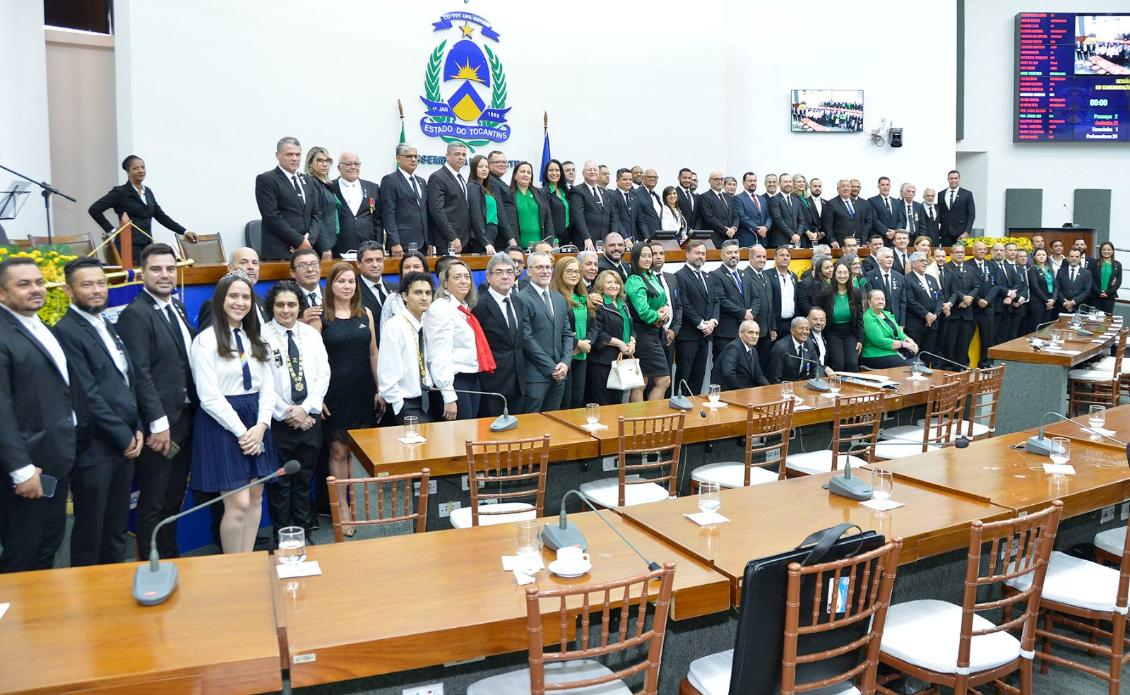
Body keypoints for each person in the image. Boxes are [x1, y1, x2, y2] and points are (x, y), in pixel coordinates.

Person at [55, 258, 145, 566]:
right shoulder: (66, 331)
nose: (97, 291)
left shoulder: (104, 321)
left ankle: (115, 596)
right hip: (96, 450)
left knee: (117, 528)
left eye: (101, 283)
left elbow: (126, 380)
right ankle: (90, 604)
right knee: (91, 534)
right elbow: (88, 395)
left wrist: (138, 428)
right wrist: (124, 437)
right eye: (87, 284)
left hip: (124, 444)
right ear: (69, 290)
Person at [115, 243, 196, 560]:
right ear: (142, 273)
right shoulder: (136, 314)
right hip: (160, 427)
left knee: (174, 497)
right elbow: (140, 374)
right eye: (156, 269)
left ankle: (170, 559)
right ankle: (152, 567)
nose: (164, 275)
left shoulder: (174, 306)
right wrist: (158, 424)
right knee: (154, 501)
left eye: (169, 268)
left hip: (185, 418)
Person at [189, 270, 278, 554]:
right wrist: (243, 432)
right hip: (224, 423)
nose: (240, 302)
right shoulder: (205, 340)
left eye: (245, 297)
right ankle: (234, 565)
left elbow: (268, 386)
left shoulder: (256, 338)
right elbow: (209, 396)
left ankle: (249, 561)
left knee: (255, 496)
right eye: (233, 296)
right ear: (221, 300)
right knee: (237, 503)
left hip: (256, 420)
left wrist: (262, 424)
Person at [0, 257, 79, 572]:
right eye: (23, 284)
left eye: (38, 282)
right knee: (23, 552)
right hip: (28, 467)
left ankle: (38, 618)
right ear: (2, 293)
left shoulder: (38, 325)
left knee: (48, 544)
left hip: (55, 459)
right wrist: (21, 470)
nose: (35, 289)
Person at [261, 281, 329, 541]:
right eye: (280, 305)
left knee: (303, 481)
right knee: (280, 485)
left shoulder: (310, 334)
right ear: (272, 307)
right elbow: (263, 381)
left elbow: (323, 373)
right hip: (280, 422)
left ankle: (301, 535)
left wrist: (307, 409)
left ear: (300, 306)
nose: (286, 310)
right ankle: (282, 537)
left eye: (291, 304)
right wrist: (288, 412)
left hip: (310, 420)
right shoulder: (262, 335)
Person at [320, 262, 380, 487]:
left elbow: (373, 354)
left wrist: (379, 389)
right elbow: (314, 361)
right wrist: (319, 397)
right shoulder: (320, 316)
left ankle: (359, 510)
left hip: (363, 392)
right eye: (341, 281)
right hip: (335, 394)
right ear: (330, 285)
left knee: (360, 452)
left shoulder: (366, 314)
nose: (347, 286)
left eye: (351, 281)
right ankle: (342, 511)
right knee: (338, 451)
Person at [88, 155, 197, 262]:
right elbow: (94, 209)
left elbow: (161, 217)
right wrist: (112, 230)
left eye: (142, 167)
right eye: (135, 168)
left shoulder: (148, 192)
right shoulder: (120, 192)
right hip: (128, 247)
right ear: (128, 172)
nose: (140, 170)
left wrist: (184, 231)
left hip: (148, 246)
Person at [424, 260, 494, 420]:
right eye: (457, 277)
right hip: (455, 381)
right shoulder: (441, 308)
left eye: (467, 277)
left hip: (472, 378)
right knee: (459, 436)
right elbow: (439, 354)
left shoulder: (463, 308)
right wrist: (448, 396)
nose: (464, 281)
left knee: (470, 433)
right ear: (445, 283)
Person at [255, 137, 329, 260]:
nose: (295, 158)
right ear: (278, 155)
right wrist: (299, 241)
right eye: (289, 154)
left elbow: (316, 214)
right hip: (281, 252)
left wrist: (307, 242)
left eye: (298, 154)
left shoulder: (308, 180)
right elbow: (272, 216)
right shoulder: (267, 179)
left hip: (307, 250)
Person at [517, 252, 573, 412]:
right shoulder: (521, 299)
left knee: (553, 424)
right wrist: (551, 368)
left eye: (548, 267)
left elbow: (567, 334)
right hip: (535, 377)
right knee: (532, 426)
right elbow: (526, 338)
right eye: (540, 267)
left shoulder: (559, 298)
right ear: (528, 271)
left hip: (560, 374)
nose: (545, 271)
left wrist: (565, 363)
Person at [378, 272, 435, 423]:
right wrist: (399, 406)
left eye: (428, 293)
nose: (424, 297)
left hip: (429, 401)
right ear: (404, 296)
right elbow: (387, 374)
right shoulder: (394, 326)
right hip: (406, 404)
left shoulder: (427, 324)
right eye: (418, 293)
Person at [473, 252, 525, 415]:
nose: (505, 276)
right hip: (492, 382)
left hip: (518, 381)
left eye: (510, 272)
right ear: (488, 277)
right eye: (499, 272)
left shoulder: (518, 302)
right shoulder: (479, 305)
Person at [623, 242, 671, 401]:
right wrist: (658, 316)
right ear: (635, 257)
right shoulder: (634, 280)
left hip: (656, 333)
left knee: (644, 381)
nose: (648, 259)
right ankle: (645, 421)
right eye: (643, 256)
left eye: (649, 255)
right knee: (651, 381)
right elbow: (643, 311)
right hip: (643, 335)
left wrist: (666, 309)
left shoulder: (650, 276)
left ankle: (648, 421)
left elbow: (662, 300)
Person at [675, 240, 719, 394]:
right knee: (684, 377)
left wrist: (713, 322)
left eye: (703, 253)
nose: (701, 256)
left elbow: (715, 301)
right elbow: (684, 305)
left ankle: (694, 410)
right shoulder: (679, 276)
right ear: (687, 254)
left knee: (698, 377)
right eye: (697, 253)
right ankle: (681, 407)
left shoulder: (708, 276)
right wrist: (701, 324)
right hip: (688, 336)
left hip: (705, 336)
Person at [551, 257, 595, 409]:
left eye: (577, 271)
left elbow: (594, 326)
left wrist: (587, 343)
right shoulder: (555, 297)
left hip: (582, 354)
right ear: (560, 273)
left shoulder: (583, 297)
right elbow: (557, 329)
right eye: (569, 271)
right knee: (565, 401)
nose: (574, 275)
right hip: (564, 356)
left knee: (578, 399)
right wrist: (577, 343)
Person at [588, 269, 636, 405]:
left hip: (621, 360)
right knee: (603, 402)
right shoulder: (598, 304)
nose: (613, 285)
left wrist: (632, 342)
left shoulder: (623, 304)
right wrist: (620, 344)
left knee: (617, 401)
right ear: (600, 285)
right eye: (609, 282)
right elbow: (598, 332)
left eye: (616, 282)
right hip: (602, 361)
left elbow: (631, 328)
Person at [710, 240, 756, 382]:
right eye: (729, 253)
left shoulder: (745, 274)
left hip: (745, 331)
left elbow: (756, 297)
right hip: (726, 332)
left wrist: (751, 313)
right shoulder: (715, 275)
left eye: (736, 252)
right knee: (723, 370)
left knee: (743, 370)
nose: (733, 255)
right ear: (722, 255)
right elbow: (722, 300)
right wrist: (743, 313)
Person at [197, 247, 266, 329]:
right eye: (243, 262)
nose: (251, 267)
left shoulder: (261, 300)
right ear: (230, 268)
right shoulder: (214, 305)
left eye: (255, 263)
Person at [380, 144, 430, 256]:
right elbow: (388, 214)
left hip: (423, 244)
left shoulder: (421, 182)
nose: (413, 159)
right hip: (402, 244)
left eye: (416, 156)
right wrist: (395, 242)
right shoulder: (390, 180)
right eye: (409, 156)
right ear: (398, 158)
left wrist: (430, 241)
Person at [331, 151, 381, 256]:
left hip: (368, 248)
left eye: (356, 164)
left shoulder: (373, 187)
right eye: (348, 164)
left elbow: (377, 220)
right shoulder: (330, 188)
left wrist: (378, 244)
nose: (353, 167)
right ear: (339, 168)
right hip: (339, 248)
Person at [427, 142, 473, 254]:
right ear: (447, 156)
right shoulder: (438, 177)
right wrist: (452, 237)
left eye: (463, 154)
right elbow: (437, 210)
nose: (461, 157)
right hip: (448, 240)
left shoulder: (460, 177)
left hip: (464, 239)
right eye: (457, 154)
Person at [816, 260, 862, 372]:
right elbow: (818, 313)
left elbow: (860, 317)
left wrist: (860, 339)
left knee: (852, 362)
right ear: (834, 274)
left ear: (849, 274)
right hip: (832, 332)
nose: (842, 276)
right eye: (839, 272)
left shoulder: (856, 292)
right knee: (839, 363)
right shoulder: (825, 292)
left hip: (850, 332)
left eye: (845, 272)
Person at [860, 289, 918, 368]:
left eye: (883, 299)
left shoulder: (887, 314)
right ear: (869, 302)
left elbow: (899, 333)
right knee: (909, 367)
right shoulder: (868, 317)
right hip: (875, 355)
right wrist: (904, 344)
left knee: (919, 364)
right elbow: (879, 341)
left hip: (893, 352)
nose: (881, 301)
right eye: (877, 299)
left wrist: (910, 341)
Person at [903, 252, 944, 363]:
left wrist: (935, 314)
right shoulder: (907, 279)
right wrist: (926, 314)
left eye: (926, 260)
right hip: (916, 324)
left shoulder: (932, 278)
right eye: (922, 260)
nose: (925, 263)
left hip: (932, 323)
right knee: (913, 355)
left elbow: (940, 298)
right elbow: (910, 301)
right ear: (913, 264)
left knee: (928, 354)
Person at [942, 244, 979, 367]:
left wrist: (969, 298)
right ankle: (950, 368)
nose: (960, 254)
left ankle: (962, 366)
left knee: (964, 343)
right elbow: (951, 288)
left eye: (962, 252)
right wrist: (963, 297)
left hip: (967, 313)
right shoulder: (946, 268)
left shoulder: (970, 269)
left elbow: (976, 286)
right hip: (954, 312)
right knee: (950, 343)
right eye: (957, 252)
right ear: (951, 254)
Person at [767, 317, 832, 383]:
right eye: (801, 328)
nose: (805, 332)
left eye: (807, 329)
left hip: (805, 386)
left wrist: (819, 382)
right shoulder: (780, 348)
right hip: (786, 388)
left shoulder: (809, 343)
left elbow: (816, 366)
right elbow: (774, 378)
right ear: (792, 330)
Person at [304, 147, 341, 259]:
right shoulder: (311, 183)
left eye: (327, 161)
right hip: (321, 244)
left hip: (332, 240)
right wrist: (324, 246)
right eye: (320, 161)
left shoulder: (326, 184)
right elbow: (317, 217)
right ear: (310, 164)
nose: (324, 164)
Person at [649, 242, 681, 371]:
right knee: (653, 382)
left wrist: (674, 330)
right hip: (652, 337)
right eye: (654, 254)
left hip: (670, 337)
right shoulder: (642, 280)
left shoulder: (671, 278)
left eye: (661, 253)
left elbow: (678, 306)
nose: (658, 257)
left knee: (667, 380)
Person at [567, 161, 612, 251]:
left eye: (595, 170)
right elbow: (578, 216)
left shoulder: (605, 192)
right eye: (589, 170)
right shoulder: (577, 190)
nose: (592, 172)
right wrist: (586, 238)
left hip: (605, 240)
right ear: (583, 173)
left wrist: (612, 237)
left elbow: (613, 215)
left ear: (598, 173)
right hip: (587, 242)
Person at [969, 241, 1001, 366]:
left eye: (984, 249)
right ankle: (963, 363)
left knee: (988, 338)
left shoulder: (992, 265)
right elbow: (967, 286)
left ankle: (985, 363)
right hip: (972, 307)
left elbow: (997, 285)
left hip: (988, 307)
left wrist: (987, 300)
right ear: (973, 251)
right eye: (979, 249)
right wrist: (978, 300)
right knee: (966, 338)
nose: (982, 251)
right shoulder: (967, 264)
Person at [511, 161, 555, 249]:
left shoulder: (540, 193)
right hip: (517, 246)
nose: (526, 174)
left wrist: (549, 241)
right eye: (522, 172)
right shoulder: (509, 194)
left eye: (529, 172)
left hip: (540, 246)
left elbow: (548, 218)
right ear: (515, 176)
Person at [717, 320, 769, 390]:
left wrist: (770, 389)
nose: (755, 336)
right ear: (740, 333)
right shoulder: (733, 348)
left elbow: (758, 375)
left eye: (757, 333)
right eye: (750, 332)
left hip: (745, 392)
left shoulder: (753, 350)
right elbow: (728, 374)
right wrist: (743, 391)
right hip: (729, 393)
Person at [356, 241, 392, 340]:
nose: (375, 265)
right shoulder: (353, 291)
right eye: (369, 261)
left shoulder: (395, 288)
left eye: (379, 260)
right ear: (358, 264)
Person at [467, 154, 502, 253]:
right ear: (474, 168)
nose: (484, 169)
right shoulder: (473, 187)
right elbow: (476, 215)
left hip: (491, 233)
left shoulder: (486, 188)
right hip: (482, 237)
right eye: (480, 166)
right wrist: (485, 242)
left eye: (486, 167)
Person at [865, 247, 907, 326]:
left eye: (892, 257)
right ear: (879, 260)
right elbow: (868, 300)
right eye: (887, 257)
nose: (890, 259)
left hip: (896, 320)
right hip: (877, 320)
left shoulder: (899, 277)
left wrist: (902, 324)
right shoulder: (870, 276)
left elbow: (903, 302)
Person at [821, 179, 867, 249]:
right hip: (839, 243)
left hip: (856, 243)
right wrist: (832, 240)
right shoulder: (831, 204)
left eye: (848, 186)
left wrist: (864, 241)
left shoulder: (857, 203)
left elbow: (861, 224)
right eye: (843, 186)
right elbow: (827, 225)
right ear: (838, 189)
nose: (846, 188)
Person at [937, 169, 975, 247]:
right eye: (951, 178)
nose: (953, 180)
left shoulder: (967, 194)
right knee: (945, 256)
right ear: (948, 180)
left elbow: (971, 214)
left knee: (959, 256)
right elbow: (940, 213)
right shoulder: (941, 194)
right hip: (945, 234)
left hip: (960, 234)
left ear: (959, 179)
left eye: (955, 178)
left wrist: (967, 232)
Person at [701, 171, 739, 248]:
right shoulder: (705, 197)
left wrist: (734, 228)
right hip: (716, 239)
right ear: (709, 181)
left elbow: (735, 216)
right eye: (716, 179)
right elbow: (710, 217)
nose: (719, 181)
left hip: (731, 239)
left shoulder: (728, 197)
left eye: (721, 179)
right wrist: (725, 230)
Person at [487, 151, 518, 246]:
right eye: (498, 162)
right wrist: (510, 237)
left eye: (504, 162)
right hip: (503, 237)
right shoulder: (491, 181)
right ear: (489, 164)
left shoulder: (499, 181)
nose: (502, 164)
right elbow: (499, 210)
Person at [734, 172, 771, 247]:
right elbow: (742, 217)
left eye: (754, 181)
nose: (753, 183)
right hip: (747, 240)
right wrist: (758, 229)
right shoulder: (738, 198)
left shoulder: (762, 199)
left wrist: (766, 227)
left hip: (763, 240)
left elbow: (769, 216)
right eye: (750, 181)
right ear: (744, 183)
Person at [1027, 248, 1059, 332]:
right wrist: (1046, 301)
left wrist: (1053, 299)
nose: (1041, 257)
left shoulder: (1050, 269)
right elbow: (1035, 287)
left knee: (1046, 326)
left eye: (1043, 255)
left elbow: (1055, 285)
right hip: (1038, 301)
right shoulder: (1033, 269)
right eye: (1039, 255)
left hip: (1050, 301)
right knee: (1037, 325)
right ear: (1034, 257)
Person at [769, 247, 799, 339]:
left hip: (791, 323)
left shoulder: (794, 276)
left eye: (787, 255)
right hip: (775, 324)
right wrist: (772, 326)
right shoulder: (767, 275)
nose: (785, 258)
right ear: (775, 257)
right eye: (782, 255)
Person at [768, 173, 802, 248]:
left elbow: (802, 220)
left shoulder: (796, 200)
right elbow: (778, 220)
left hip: (796, 241)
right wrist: (792, 235)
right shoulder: (774, 199)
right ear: (779, 184)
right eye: (785, 182)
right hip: (780, 242)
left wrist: (798, 235)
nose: (788, 184)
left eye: (790, 182)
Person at [542, 159, 571, 244]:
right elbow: (547, 218)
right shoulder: (544, 192)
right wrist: (553, 238)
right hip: (554, 238)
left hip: (568, 236)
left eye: (557, 170)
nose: (554, 173)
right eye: (551, 170)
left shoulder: (565, 190)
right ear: (546, 173)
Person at [1057, 248, 1092, 314]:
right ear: (1067, 258)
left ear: (1080, 258)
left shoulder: (1087, 273)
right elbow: (1057, 288)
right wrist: (1064, 302)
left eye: (1077, 256)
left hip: (1079, 308)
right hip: (1063, 307)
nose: (1074, 258)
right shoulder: (1061, 271)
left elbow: (1087, 291)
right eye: (1072, 256)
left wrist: (1073, 302)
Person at [1090, 241, 1121, 314]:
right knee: (1094, 321)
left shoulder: (1118, 264)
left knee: (1106, 321)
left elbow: (1118, 281)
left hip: (1110, 297)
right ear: (1100, 251)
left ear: (1112, 251)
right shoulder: (1094, 263)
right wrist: (1099, 292)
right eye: (1103, 249)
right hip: (1095, 296)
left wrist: (1107, 292)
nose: (1106, 251)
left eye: (1108, 249)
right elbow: (1091, 279)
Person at [608, 168, 638, 241]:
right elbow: (616, 220)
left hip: (634, 239)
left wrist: (646, 237)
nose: (628, 182)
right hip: (620, 239)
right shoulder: (612, 196)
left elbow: (640, 220)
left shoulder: (635, 197)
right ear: (617, 181)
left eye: (630, 180)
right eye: (625, 179)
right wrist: (625, 238)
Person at [633, 169, 663, 240]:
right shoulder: (636, 193)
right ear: (643, 178)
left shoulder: (657, 196)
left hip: (658, 236)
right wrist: (647, 237)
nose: (653, 179)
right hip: (644, 237)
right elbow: (639, 218)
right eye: (650, 177)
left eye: (655, 177)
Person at [867, 176, 898, 243]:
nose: (885, 187)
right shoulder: (872, 201)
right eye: (883, 185)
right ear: (878, 186)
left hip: (895, 237)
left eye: (887, 185)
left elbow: (900, 219)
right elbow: (874, 219)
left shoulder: (897, 202)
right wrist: (886, 232)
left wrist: (895, 231)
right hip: (879, 237)